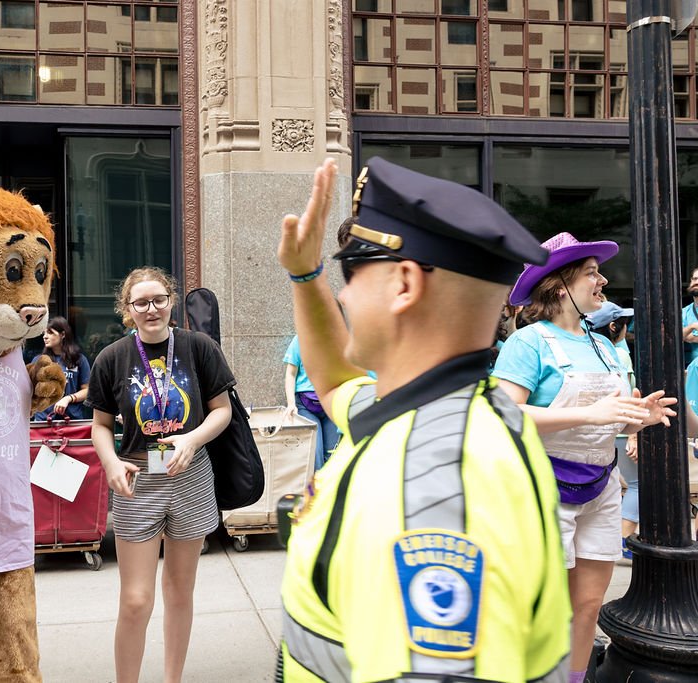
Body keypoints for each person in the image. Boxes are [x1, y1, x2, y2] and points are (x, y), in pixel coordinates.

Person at [276, 157, 572, 682]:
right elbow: (338, 383)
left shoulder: (435, 487)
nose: (343, 294)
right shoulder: (446, 411)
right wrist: (306, 276)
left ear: (404, 284)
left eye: (353, 270)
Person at [494, 233, 675, 683]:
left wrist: (640, 420)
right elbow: (501, 412)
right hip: (544, 487)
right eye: (592, 272)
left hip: (602, 485)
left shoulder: (604, 344)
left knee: (589, 604)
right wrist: (591, 411)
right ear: (560, 286)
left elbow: (609, 421)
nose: (603, 280)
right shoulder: (529, 342)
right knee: (543, 606)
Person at [86, 266, 233, 683]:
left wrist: (191, 440)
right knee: (135, 600)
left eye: (159, 300)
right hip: (138, 480)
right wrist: (111, 461)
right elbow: (99, 424)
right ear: (126, 309)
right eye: (140, 302)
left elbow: (221, 411)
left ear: (170, 300)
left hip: (190, 475)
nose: (151, 309)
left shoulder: (198, 347)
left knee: (179, 592)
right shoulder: (111, 358)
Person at [585, 301, 638, 563]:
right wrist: (634, 434)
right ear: (614, 326)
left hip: (603, 435)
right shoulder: (619, 354)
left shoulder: (595, 351)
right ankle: (624, 539)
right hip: (618, 432)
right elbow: (626, 394)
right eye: (623, 322)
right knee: (638, 484)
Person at [284, 334, 340, 469]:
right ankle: (314, 490)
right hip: (306, 404)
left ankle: (329, 489)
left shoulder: (337, 337)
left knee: (333, 456)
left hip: (331, 404)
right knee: (315, 455)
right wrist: (291, 403)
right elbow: (290, 373)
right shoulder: (300, 340)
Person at [32, 316, 91, 421]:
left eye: (50, 333)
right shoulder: (39, 360)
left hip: (71, 420)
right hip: (43, 421)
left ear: (63, 334)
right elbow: (30, 391)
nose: (45, 337)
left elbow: (87, 390)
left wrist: (68, 399)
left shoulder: (78, 359)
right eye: (44, 333)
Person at [682, 266, 698, 366]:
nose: (696, 282)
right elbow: (675, 337)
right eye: (695, 279)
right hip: (690, 370)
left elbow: (687, 337)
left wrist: (687, 335)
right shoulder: (683, 312)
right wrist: (692, 326)